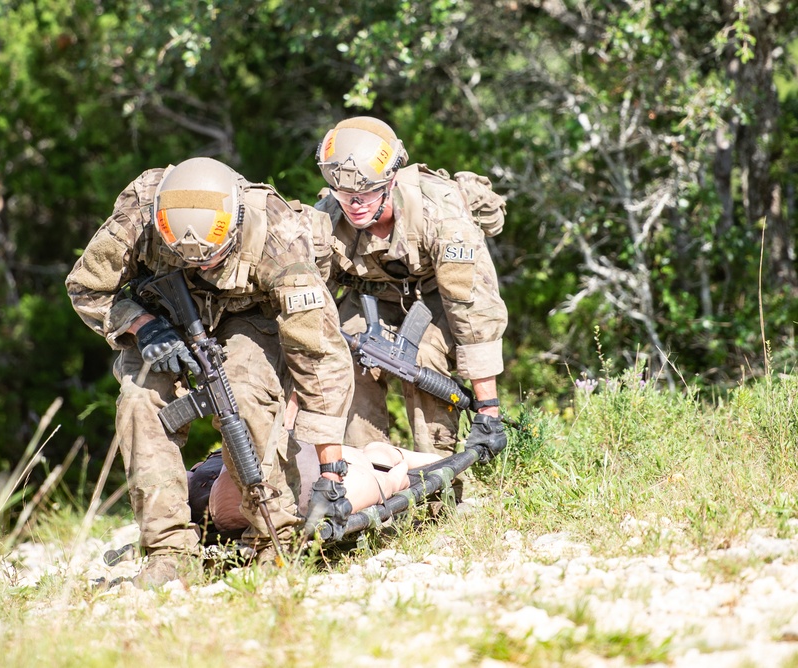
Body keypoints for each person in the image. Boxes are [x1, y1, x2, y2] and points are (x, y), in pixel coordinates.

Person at [66, 157, 354, 588]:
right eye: (187, 259)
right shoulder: (138, 218)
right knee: (138, 400)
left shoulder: (279, 238)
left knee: (243, 393)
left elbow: (319, 357)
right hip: (165, 321)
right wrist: (142, 326)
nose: (201, 266)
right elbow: (86, 286)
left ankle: (274, 541)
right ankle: (168, 552)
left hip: (252, 316)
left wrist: (332, 474)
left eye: (212, 258)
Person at [314, 116, 509, 467]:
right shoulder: (326, 221)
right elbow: (309, 306)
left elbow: (473, 310)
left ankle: (440, 477)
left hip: (437, 297)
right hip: (371, 298)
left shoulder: (440, 213)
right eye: (344, 195)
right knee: (346, 358)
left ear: (389, 184)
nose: (354, 204)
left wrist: (488, 410)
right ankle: (371, 475)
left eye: (366, 194)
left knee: (424, 358)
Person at [192, 441, 443, 534]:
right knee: (388, 466)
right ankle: (441, 459)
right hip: (316, 484)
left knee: (383, 462)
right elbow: (396, 478)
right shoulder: (357, 477)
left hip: (215, 481)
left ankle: (436, 459)